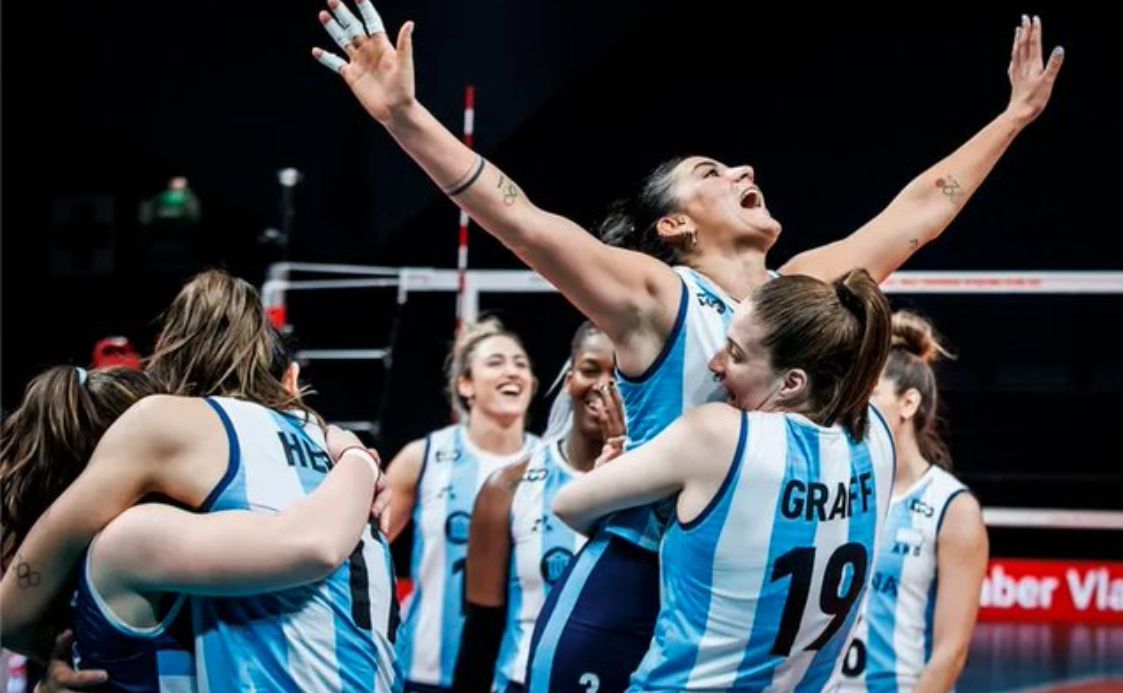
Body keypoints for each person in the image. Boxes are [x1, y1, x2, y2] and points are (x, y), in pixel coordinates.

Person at [313, 2, 1062, 686]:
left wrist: (1014, 117)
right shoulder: (659, 296)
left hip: (744, 587)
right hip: (638, 582)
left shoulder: (800, 291)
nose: (744, 170)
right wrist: (406, 118)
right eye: (712, 172)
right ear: (676, 226)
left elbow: (919, 213)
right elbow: (524, 221)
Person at [1, 270, 400, 691]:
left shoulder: (148, 522)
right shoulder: (324, 459)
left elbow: (13, 612)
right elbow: (315, 544)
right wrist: (357, 455)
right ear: (292, 381)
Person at [552, 271, 895, 691]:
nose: (715, 364)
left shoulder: (720, 434)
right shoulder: (879, 438)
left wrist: (616, 473)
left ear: (792, 383)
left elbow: (569, 504)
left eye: (735, 353)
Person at [454, 323, 621, 693]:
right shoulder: (508, 486)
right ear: (569, 379)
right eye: (590, 370)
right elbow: (481, 630)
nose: (604, 386)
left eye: (619, 374)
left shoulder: (660, 485)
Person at [834, 311, 987, 693]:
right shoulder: (836, 489)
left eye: (869, 395)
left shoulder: (952, 508)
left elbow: (950, 653)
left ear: (908, 403)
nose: (853, 407)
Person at [384, 317, 540, 691]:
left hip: (514, 676)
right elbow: (365, 549)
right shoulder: (421, 457)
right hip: (424, 673)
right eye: (495, 362)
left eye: (520, 364)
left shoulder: (550, 464)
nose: (512, 371)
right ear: (465, 384)